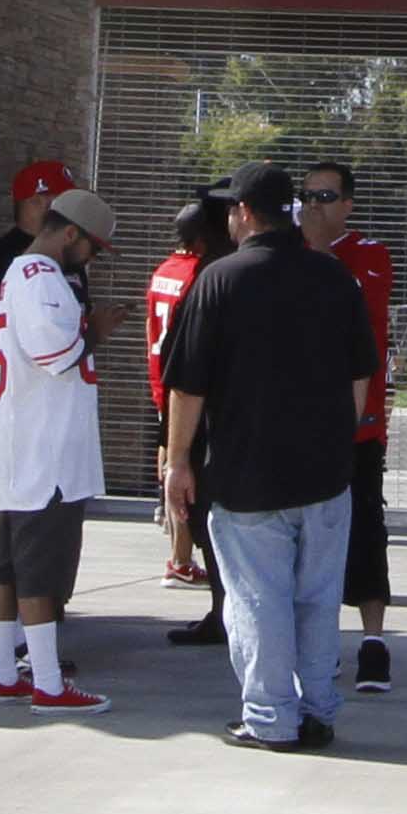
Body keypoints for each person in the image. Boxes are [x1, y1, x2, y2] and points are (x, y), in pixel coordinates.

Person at [160, 163, 372, 750]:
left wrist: (178, 460)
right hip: (326, 475)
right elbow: (361, 376)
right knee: (317, 598)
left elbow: (188, 386)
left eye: (232, 209)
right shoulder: (336, 278)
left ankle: (270, 718)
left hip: (246, 473)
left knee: (258, 601)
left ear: (246, 213)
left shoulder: (220, 280)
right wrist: (336, 437)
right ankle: (319, 711)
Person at [0, 183, 117, 710]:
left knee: (7, 563)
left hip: (25, 441)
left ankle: (4, 672)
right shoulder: (41, 276)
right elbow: (57, 353)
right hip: (46, 446)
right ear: (72, 234)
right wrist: (96, 331)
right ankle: (48, 684)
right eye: (93, 249)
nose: (93, 260)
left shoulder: (22, 273)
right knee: (39, 568)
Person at [300, 159, 403, 692]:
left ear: (347, 204)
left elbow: (353, 310)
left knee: (365, 531)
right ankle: (319, 644)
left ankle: (373, 641)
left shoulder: (369, 256)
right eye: (308, 195)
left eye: (325, 196)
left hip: (358, 427)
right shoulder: (288, 252)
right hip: (303, 426)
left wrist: (316, 248)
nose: (314, 206)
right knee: (308, 540)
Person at [147, 191, 232, 642]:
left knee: (200, 513)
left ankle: (221, 610)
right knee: (211, 516)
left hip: (175, 403)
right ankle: (223, 611)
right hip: (202, 410)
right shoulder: (209, 278)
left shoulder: (170, 273)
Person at [0, 157, 69, 407]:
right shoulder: (1, 258)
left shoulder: (67, 254)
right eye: (62, 201)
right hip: (13, 407)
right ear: (36, 201)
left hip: (53, 407)